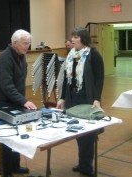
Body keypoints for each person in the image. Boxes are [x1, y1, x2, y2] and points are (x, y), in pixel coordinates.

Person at [56, 27, 104, 177]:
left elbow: (99, 79)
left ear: (83, 39)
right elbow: (66, 80)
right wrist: (62, 97)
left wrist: (97, 99)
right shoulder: (71, 55)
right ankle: (83, 162)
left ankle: (86, 165)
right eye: (72, 37)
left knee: (88, 134)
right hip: (72, 98)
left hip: (87, 98)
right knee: (78, 132)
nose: (72, 40)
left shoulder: (93, 55)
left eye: (76, 37)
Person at [0, 29, 37, 177]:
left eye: (29, 43)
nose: (27, 46)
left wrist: (21, 101)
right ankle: (6, 171)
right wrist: (24, 101)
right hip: (4, 102)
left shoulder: (21, 56)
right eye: (25, 43)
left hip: (17, 101)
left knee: (18, 135)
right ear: (15, 43)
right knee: (6, 138)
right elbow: (7, 86)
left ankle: (15, 166)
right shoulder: (4, 58)